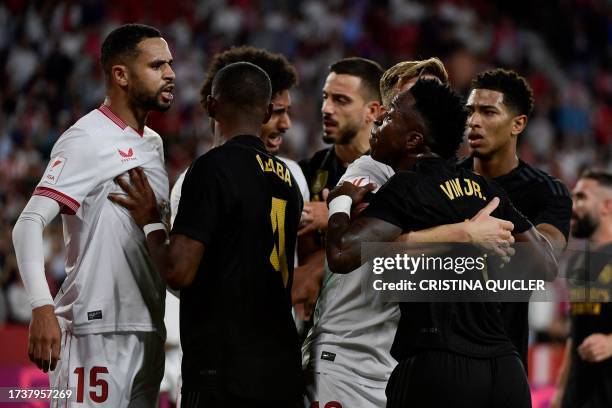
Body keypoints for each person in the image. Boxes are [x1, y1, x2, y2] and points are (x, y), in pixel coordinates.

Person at [325, 79, 558, 407]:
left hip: (439, 366)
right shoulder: (486, 190)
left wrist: (339, 203)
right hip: (507, 370)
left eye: (391, 115)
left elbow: (341, 253)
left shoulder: (407, 186)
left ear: (413, 140)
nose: (378, 120)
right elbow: (546, 265)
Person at [109, 62, 304, 408]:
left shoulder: (212, 168)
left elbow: (179, 271)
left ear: (212, 107)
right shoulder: (289, 181)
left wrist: (151, 221)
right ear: (267, 111)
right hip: (282, 371)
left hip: (224, 372)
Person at [11, 24, 175, 406]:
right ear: (121, 75)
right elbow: (28, 224)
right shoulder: (86, 137)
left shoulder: (153, 144)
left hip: (148, 330)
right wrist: (41, 306)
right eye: (156, 65)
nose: (170, 74)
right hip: (94, 333)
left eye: (169, 64)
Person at [462, 68, 572, 371]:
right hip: (436, 355)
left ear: (518, 124)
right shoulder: (441, 180)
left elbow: (545, 261)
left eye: (487, 112)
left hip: (504, 358)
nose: (473, 121)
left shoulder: (547, 192)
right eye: (470, 111)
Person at [296, 57, 384, 320]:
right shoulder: (308, 170)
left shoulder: (393, 172)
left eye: (341, 100)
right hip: (314, 320)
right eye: (325, 97)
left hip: (372, 322)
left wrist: (335, 217)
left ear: (373, 111)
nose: (326, 108)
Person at [552, 170, 612, 408]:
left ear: (607, 206)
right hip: (579, 395)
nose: (572, 206)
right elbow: (575, 333)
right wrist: (560, 391)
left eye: (581, 198)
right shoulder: (577, 263)